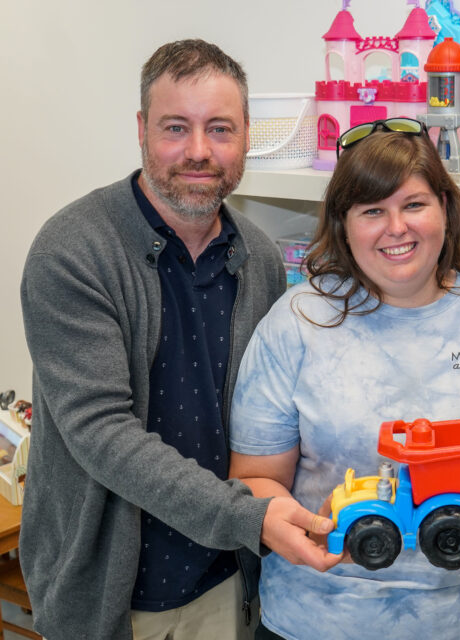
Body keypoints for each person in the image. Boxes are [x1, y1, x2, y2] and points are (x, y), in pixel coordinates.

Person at [19, 39, 337, 640]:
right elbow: (101, 433)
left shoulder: (259, 258)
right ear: (141, 130)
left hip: (228, 582)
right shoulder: (74, 250)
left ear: (246, 136)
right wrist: (250, 516)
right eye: (175, 127)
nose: (198, 152)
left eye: (219, 128)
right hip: (111, 595)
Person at [228, 119, 460, 640]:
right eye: (373, 210)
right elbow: (255, 476)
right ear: (343, 223)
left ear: (445, 207)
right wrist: (291, 525)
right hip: (315, 622)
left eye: (414, 205)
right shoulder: (298, 322)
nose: (396, 228)